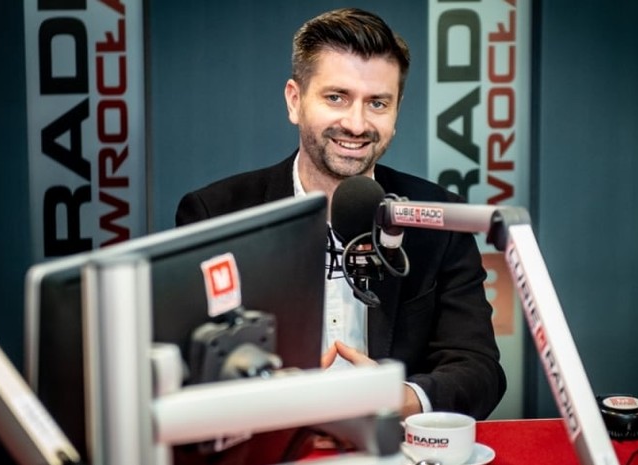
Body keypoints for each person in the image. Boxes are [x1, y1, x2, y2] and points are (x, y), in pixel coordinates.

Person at [176, 7, 506, 421]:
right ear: (295, 101)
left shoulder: (440, 218)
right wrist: (273, 398)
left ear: (396, 112)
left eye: (377, 103)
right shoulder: (216, 215)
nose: (356, 123)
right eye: (336, 97)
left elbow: (479, 370)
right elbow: (189, 373)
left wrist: (399, 398)